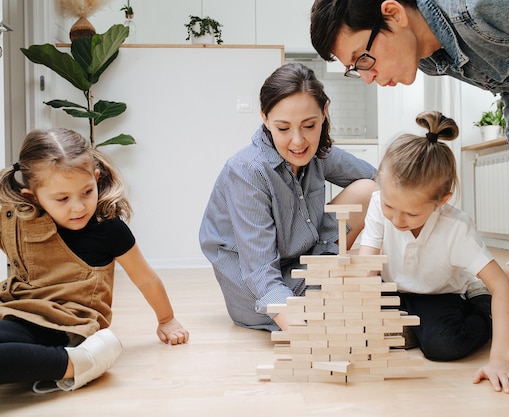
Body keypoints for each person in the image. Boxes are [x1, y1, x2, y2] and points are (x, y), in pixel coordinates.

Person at [310, 0, 509, 381]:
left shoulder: (484, 7)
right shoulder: (431, 57)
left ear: (393, 14)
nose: (367, 77)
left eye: (364, 59)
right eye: (354, 69)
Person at [0, 128, 189, 393]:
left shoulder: (107, 228)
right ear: (32, 196)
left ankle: (80, 362)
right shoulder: (17, 220)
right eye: (63, 199)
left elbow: (144, 277)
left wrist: (166, 319)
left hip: (69, 324)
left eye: (87, 192)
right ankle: (74, 364)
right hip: (19, 312)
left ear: (96, 179)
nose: (78, 207)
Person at [199, 62, 378, 331]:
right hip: (255, 285)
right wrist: (294, 323)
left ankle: (333, 286)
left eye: (309, 125)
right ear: (265, 118)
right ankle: (327, 293)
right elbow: (259, 270)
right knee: (351, 299)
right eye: (283, 128)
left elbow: (380, 180)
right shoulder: (247, 171)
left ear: (324, 113)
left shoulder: (318, 151)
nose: (298, 141)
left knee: (370, 191)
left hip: (303, 258)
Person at [358, 111, 509, 393]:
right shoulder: (377, 202)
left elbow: (502, 288)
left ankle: (479, 306)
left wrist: (501, 360)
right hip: (393, 290)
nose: (397, 220)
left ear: (441, 201)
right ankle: (410, 330)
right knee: (368, 334)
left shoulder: (455, 228)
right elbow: (367, 264)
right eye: (390, 207)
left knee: (443, 346)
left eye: (411, 213)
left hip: (439, 294)